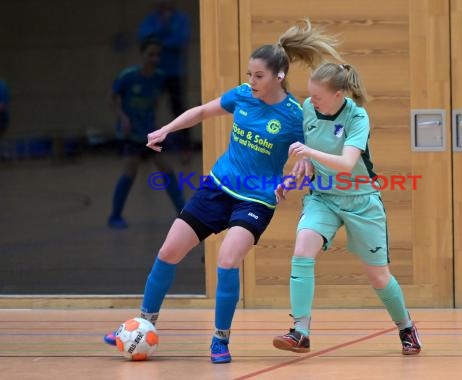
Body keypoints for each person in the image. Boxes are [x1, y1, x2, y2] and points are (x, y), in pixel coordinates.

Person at [103, 20, 342, 363]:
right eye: (249, 74)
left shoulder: (295, 115)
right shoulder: (243, 96)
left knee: (227, 260)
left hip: (257, 199)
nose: (251, 81)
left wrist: (298, 174)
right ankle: (142, 323)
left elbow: (313, 155)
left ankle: (220, 340)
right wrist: (166, 130)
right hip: (217, 188)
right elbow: (202, 112)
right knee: (169, 250)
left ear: (278, 76)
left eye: (258, 76)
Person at [272, 62, 422, 355]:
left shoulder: (357, 117)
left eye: (317, 97)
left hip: (361, 202)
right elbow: (308, 159)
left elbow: (346, 163)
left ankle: (406, 327)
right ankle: (300, 331)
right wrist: (292, 178)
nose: (311, 101)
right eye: (310, 95)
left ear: (338, 94)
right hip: (323, 198)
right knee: (302, 250)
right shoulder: (308, 109)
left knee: (379, 277)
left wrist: (308, 152)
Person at [107, 37, 186, 229]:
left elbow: (158, 101)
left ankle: (184, 214)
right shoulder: (128, 76)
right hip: (131, 135)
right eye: (151, 54)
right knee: (130, 172)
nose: (154, 58)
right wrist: (123, 117)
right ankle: (115, 216)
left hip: (150, 134)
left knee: (167, 170)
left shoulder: (159, 77)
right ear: (142, 55)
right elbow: (111, 99)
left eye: (158, 55)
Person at [138, 0, 192, 158]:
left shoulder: (180, 19)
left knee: (179, 110)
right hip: (154, 72)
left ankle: (185, 149)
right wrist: (163, 28)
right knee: (148, 108)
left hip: (175, 71)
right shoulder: (152, 19)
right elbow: (144, 38)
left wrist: (159, 39)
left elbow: (180, 41)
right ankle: (146, 147)